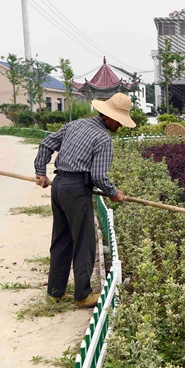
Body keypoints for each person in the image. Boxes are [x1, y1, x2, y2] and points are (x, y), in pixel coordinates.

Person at [34, 92, 135, 308]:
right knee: (84, 242)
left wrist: (41, 172)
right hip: (76, 189)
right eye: (119, 120)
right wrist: (113, 192)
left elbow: (46, 144)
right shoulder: (103, 138)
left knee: (61, 240)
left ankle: (55, 292)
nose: (120, 125)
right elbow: (98, 176)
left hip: (60, 185)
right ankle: (83, 294)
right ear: (107, 117)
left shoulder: (76, 125)